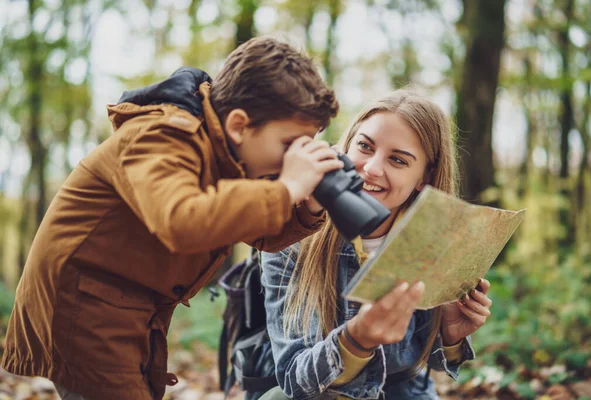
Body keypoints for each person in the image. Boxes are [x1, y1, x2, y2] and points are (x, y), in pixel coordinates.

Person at [1, 37, 344, 400]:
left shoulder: (225, 152)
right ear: (240, 126)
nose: (293, 160)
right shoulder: (161, 136)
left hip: (125, 308)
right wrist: (288, 187)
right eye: (289, 145)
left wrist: (307, 206)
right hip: (82, 308)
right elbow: (182, 221)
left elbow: (255, 227)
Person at [254, 88, 493, 399]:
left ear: (425, 177)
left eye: (397, 159)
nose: (372, 168)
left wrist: (447, 335)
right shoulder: (293, 235)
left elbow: (411, 371)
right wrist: (356, 340)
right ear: (345, 146)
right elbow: (294, 379)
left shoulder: (433, 241)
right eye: (365, 146)